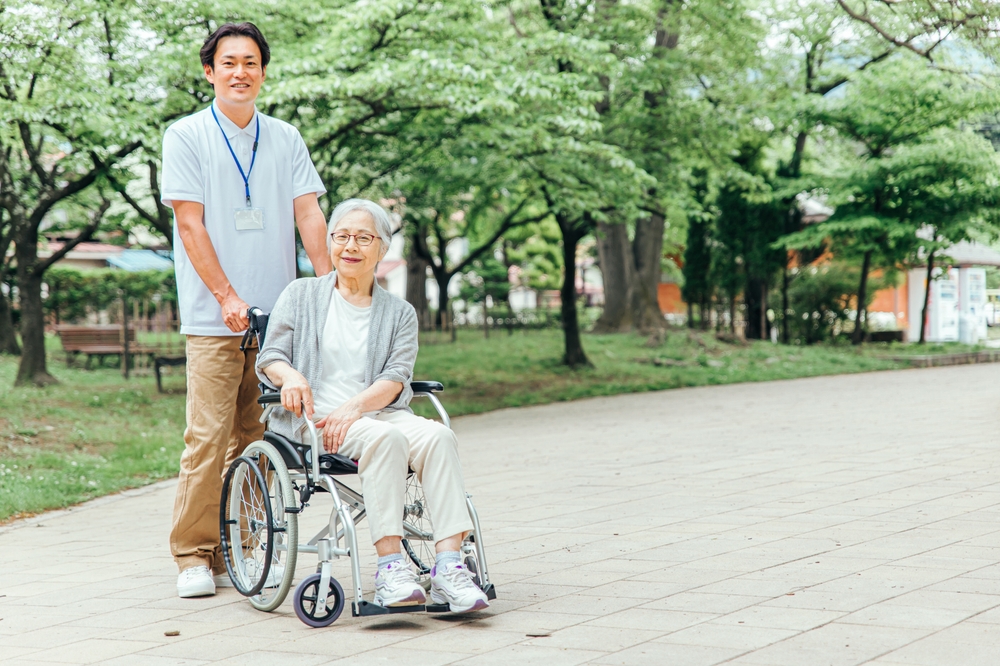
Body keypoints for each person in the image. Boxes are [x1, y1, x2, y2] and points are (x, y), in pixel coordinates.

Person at [161, 22, 333, 598]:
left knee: (262, 437)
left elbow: (308, 214)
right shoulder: (186, 136)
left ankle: (246, 546)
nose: (241, 72)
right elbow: (190, 223)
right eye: (229, 62)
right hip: (215, 319)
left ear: (263, 71)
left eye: (251, 62)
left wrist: (330, 283)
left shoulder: (285, 138)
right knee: (208, 437)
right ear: (210, 72)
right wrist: (227, 297)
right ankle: (194, 553)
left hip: (277, 319)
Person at [256, 198, 490, 613]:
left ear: (382, 249)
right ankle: (390, 569)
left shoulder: (399, 312)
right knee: (386, 439)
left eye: (364, 238)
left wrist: (356, 407)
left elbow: (396, 377)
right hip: (318, 420)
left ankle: (449, 569)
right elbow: (271, 356)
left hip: (377, 412)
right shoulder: (301, 294)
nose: (351, 246)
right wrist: (290, 376)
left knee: (438, 435)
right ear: (329, 242)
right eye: (342, 236)